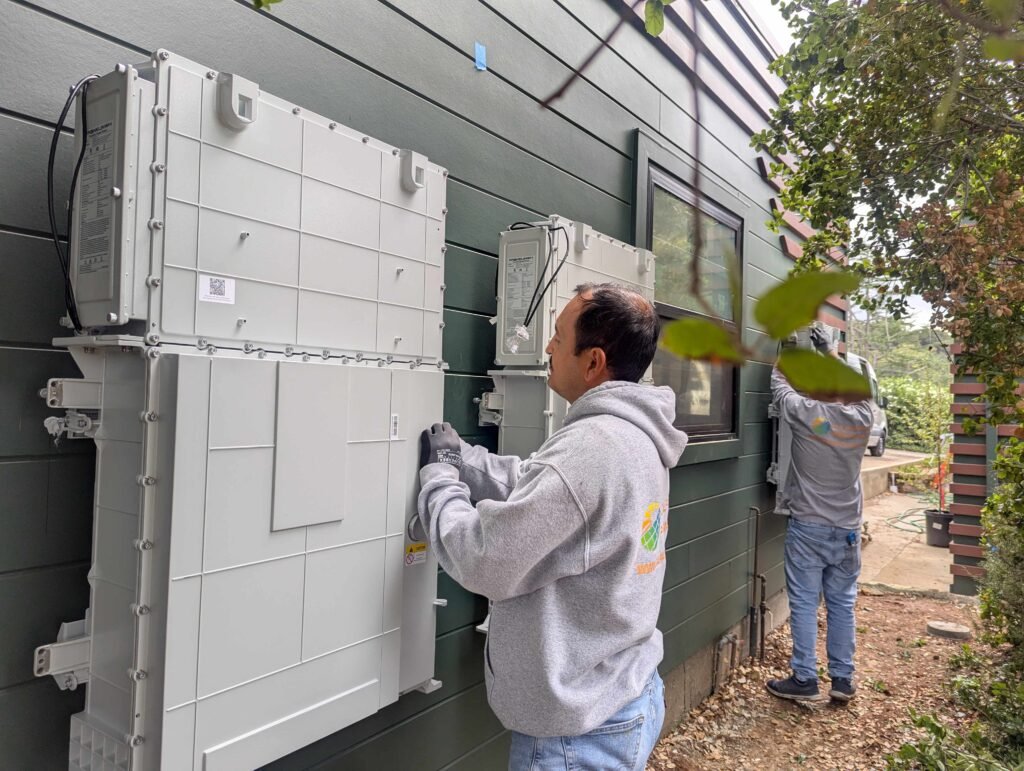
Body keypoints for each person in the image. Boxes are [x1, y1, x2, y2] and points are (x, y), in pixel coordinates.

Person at [416, 283, 688, 771]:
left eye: (559, 337)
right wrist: (466, 460)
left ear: (592, 362)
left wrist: (439, 481)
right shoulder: (633, 434)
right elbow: (541, 484)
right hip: (625, 693)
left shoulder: (592, 448)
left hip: (577, 737)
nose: (547, 347)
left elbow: (484, 556)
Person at [766, 330, 874, 704]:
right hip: (846, 531)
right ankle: (842, 681)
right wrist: (829, 351)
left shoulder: (811, 417)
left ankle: (805, 679)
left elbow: (779, 384)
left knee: (804, 603)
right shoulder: (862, 418)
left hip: (809, 528)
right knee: (842, 604)